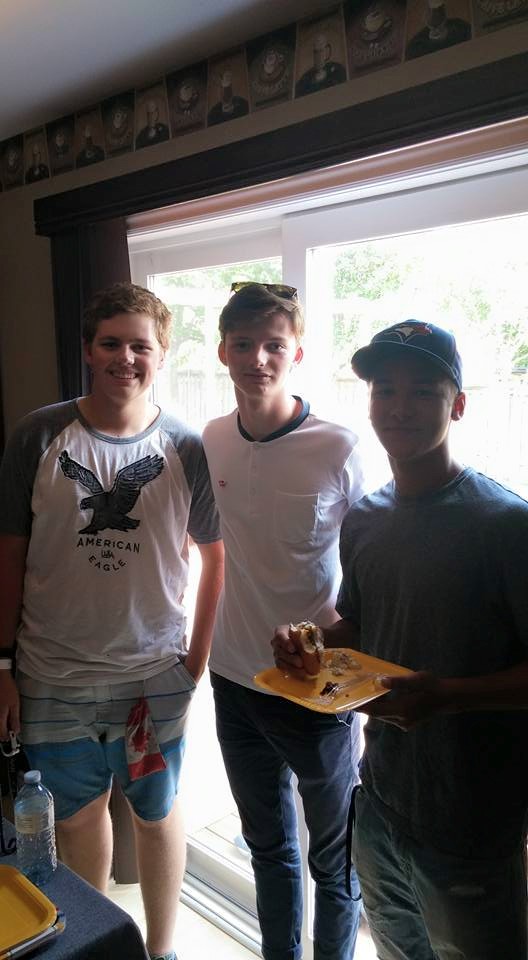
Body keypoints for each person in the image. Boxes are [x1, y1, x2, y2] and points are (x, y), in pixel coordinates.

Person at [273, 320, 528, 960]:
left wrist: (448, 697)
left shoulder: (505, 524)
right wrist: (310, 643)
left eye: (423, 392)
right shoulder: (366, 516)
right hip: (380, 801)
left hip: (471, 820)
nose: (399, 407)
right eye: (385, 390)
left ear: (457, 405)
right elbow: (361, 626)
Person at [0, 281, 224, 960]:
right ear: (88, 351)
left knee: (156, 813)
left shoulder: (186, 445)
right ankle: (93, 948)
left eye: (141, 346)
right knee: (75, 820)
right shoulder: (38, 434)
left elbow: (214, 558)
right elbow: (9, 556)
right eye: (111, 343)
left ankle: (161, 951)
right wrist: (3, 665)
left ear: (162, 354)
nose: (126, 357)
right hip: (51, 675)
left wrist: (194, 664)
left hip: (152, 678)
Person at [202, 281, 366, 960]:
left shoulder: (338, 446)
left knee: (336, 863)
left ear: (296, 353)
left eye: (274, 345)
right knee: (267, 849)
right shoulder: (213, 438)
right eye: (243, 344)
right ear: (223, 351)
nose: (258, 359)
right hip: (233, 679)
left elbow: (371, 566)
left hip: (315, 689)